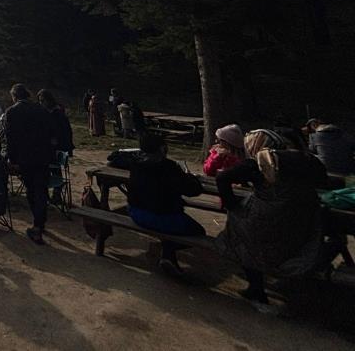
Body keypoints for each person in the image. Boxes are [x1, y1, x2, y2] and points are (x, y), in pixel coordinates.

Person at [216, 130, 328, 309]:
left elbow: (222, 177)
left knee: (239, 234)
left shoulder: (259, 162)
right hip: (304, 223)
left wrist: (231, 205)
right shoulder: (304, 159)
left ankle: (256, 287)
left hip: (267, 224)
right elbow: (324, 181)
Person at [127, 133, 204, 275]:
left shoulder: (135, 163)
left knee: (170, 225)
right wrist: (190, 178)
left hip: (136, 213)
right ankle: (167, 249)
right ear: (162, 149)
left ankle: (167, 251)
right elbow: (193, 190)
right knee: (199, 232)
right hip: (162, 217)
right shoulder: (168, 167)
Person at [2, 83, 54, 244]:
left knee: (32, 191)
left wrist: (12, 159)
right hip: (43, 157)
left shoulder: (12, 112)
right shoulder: (41, 110)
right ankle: (40, 223)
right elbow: (50, 133)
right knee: (41, 190)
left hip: (25, 159)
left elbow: (10, 139)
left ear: (15, 96)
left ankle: (38, 228)